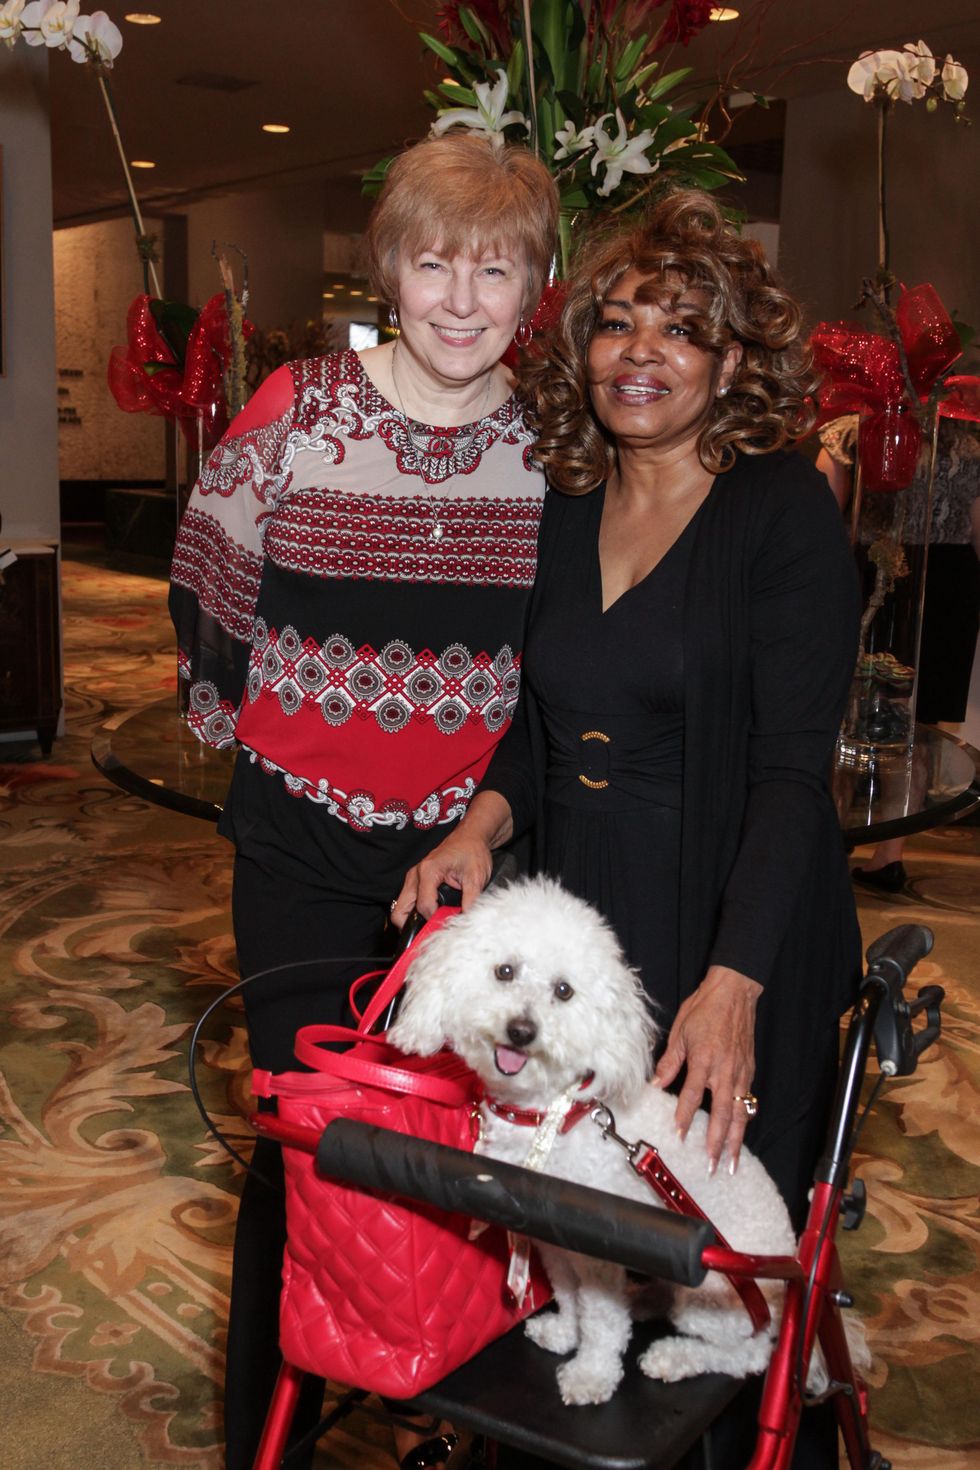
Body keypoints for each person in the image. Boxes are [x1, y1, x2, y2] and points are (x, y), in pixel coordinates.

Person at [395, 191, 862, 1466]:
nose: (638, 352)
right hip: (593, 918)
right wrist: (478, 828)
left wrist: (732, 985)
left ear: (730, 358)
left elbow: (786, 774)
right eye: (613, 324)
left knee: (709, 1246)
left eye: (679, 327)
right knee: (571, 1222)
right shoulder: (565, 502)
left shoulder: (781, 516)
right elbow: (538, 732)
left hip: (734, 910)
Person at [170, 133, 558, 1470]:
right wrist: (251, 734)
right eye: (435, 261)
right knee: (305, 1146)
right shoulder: (297, 406)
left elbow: (552, 680)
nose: (461, 297)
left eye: (495, 268)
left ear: (533, 288)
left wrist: (471, 816)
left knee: (466, 1159)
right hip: (299, 846)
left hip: (466, 866)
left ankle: (440, 1398)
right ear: (389, 267)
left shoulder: (550, 448)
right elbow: (211, 573)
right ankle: (262, 1440)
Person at [819, 413, 980, 891]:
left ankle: (833, 835)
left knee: (845, 711)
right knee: (917, 721)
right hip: (948, 586)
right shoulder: (967, 442)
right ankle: (890, 855)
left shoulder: (848, 430)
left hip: (869, 570)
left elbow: (825, 520)